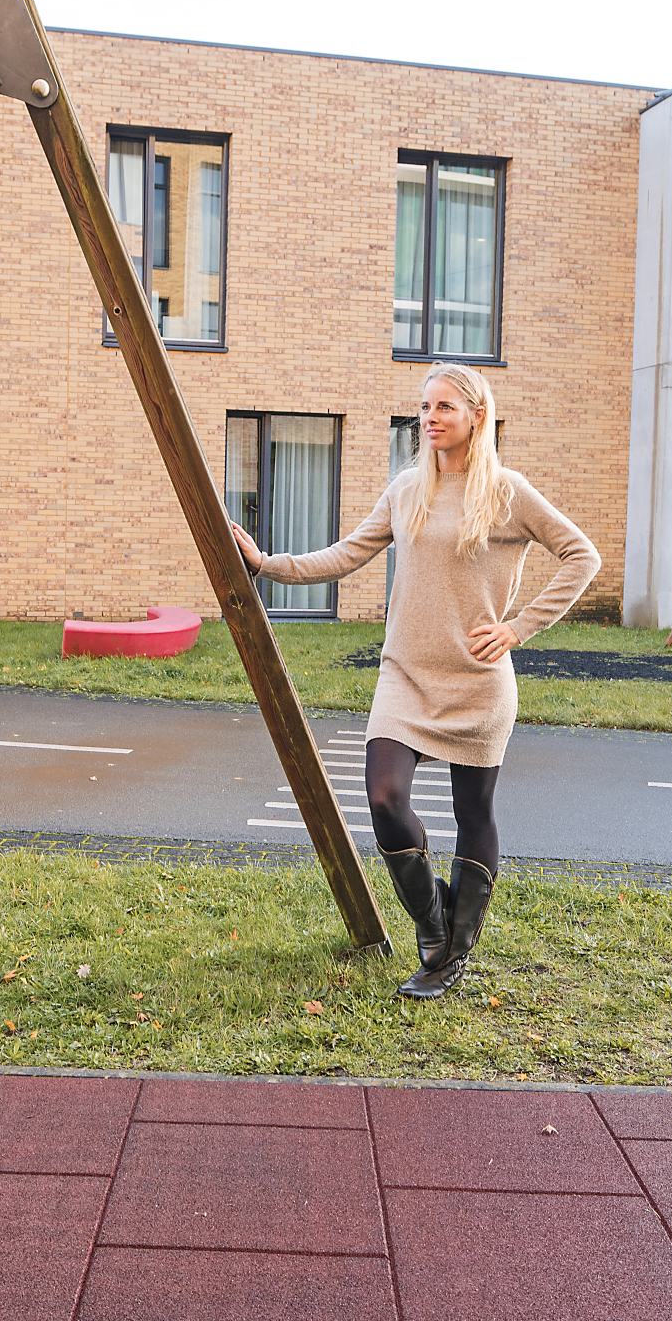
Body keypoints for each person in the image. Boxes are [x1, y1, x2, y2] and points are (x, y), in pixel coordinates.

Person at [231, 363, 599, 998]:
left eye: (445, 407)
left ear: (477, 416)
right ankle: (434, 925)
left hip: (478, 680)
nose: (430, 418)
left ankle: (452, 953)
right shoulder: (407, 490)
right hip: (404, 673)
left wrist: (518, 628)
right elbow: (347, 553)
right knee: (384, 798)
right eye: (425, 407)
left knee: (472, 812)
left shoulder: (507, 492)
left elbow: (581, 555)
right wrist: (268, 564)